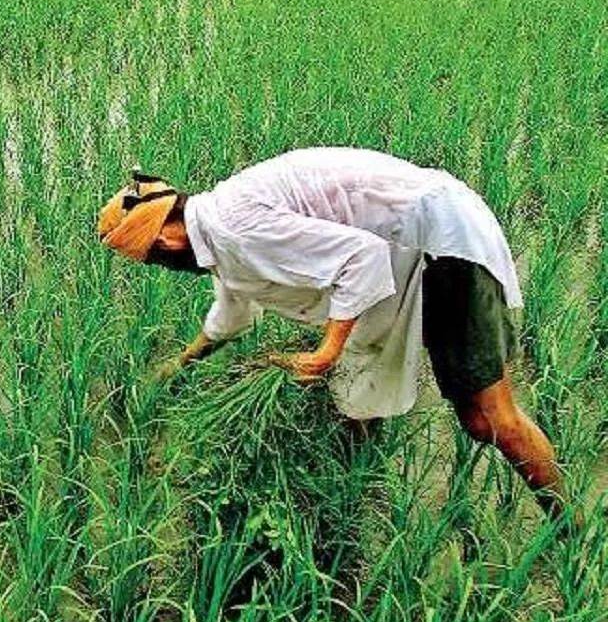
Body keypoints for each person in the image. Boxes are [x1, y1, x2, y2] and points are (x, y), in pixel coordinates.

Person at [97, 147, 568, 519]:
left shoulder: (234, 228)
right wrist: (182, 363)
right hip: (413, 248)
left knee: (491, 420)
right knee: (379, 395)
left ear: (166, 238)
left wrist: (326, 350)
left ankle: (569, 529)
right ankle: (353, 485)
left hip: (441, 240)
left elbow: (362, 258)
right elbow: (231, 310)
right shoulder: (218, 231)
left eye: (156, 260)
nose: (167, 268)